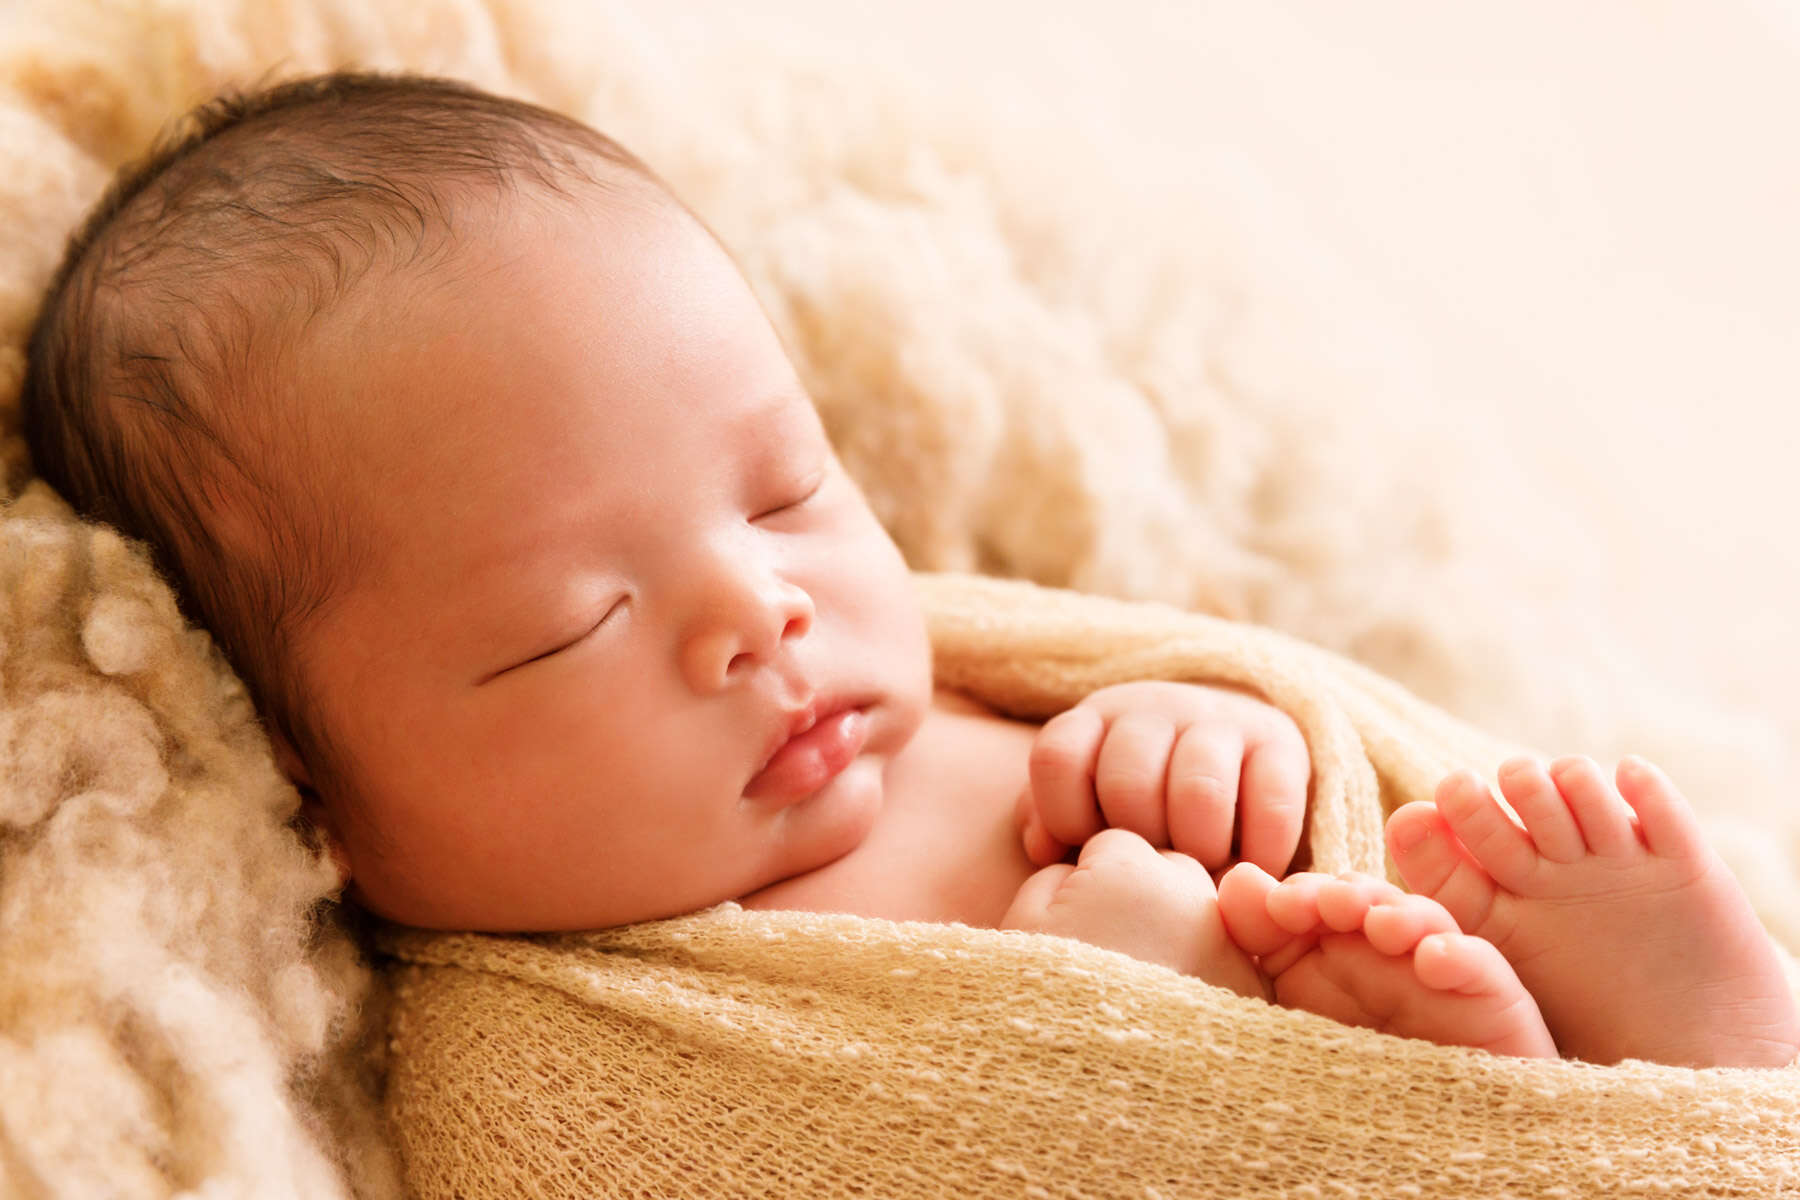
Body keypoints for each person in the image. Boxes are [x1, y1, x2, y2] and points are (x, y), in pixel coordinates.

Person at [21, 72, 1798, 1070]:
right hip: (1250, 1113)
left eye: (786, 491)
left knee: (1486, 866)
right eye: (578, 627)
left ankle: (1699, 1070)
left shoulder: (952, 687)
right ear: (313, 796)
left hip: (1395, 990)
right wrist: (1121, 1032)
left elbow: (1265, 691)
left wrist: (1222, 736)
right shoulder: (568, 1051)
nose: (758, 612)